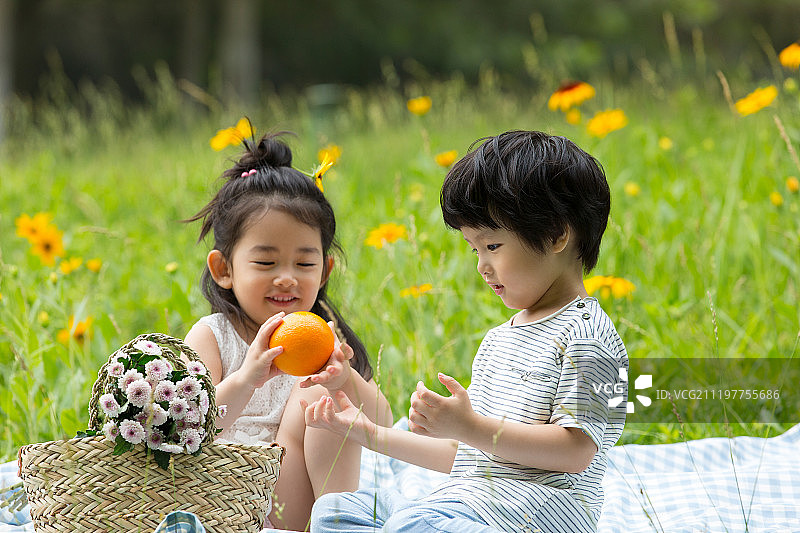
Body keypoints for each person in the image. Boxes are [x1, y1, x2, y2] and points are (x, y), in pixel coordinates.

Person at [304, 130, 629, 532]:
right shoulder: (500, 339)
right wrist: (366, 433)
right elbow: (466, 453)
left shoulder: (591, 337)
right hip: (465, 505)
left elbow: (578, 450)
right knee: (338, 511)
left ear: (557, 235)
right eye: (474, 249)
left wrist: (471, 426)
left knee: (417, 525)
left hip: (530, 516)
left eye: (492, 246)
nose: (481, 266)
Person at [184, 130, 393, 531]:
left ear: (325, 270)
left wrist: (343, 379)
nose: (286, 279)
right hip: (223, 500)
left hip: (292, 508)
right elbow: (191, 427)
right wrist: (247, 377)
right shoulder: (212, 337)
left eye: (304, 264)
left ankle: (340, 525)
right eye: (265, 263)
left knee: (321, 392)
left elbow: (383, 422)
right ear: (223, 269)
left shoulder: (322, 338)